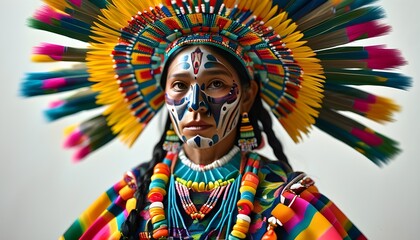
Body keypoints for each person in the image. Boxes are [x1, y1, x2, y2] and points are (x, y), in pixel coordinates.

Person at [23, 0, 410, 239]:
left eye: (216, 83)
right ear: (164, 96)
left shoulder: (285, 202)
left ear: (248, 96)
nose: (196, 104)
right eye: (179, 85)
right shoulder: (132, 197)